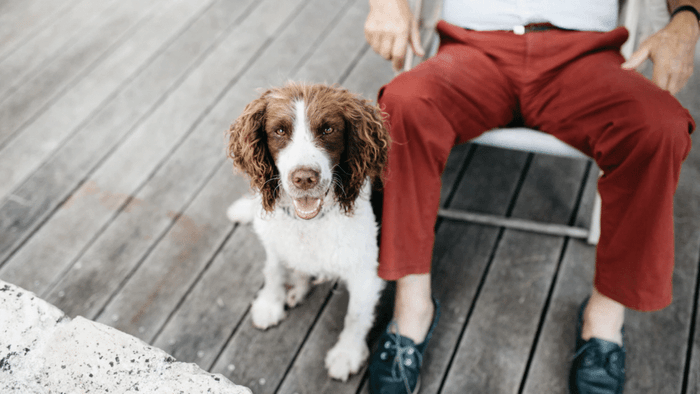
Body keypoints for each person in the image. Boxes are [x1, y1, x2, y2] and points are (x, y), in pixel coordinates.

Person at [363, 0, 699, 393]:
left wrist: (687, 18)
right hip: (472, 51)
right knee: (402, 105)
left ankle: (604, 325)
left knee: (659, 128)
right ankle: (411, 311)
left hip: (584, 57)